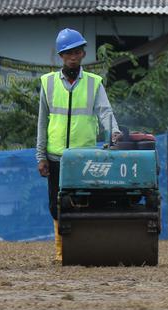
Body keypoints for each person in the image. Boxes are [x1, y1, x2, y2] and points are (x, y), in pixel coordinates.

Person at [36, 28, 120, 263]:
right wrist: (40, 156)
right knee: (56, 206)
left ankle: (89, 249)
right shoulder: (48, 83)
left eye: (77, 52)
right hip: (55, 157)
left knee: (90, 201)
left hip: (85, 157)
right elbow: (42, 122)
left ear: (83, 54)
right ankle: (62, 252)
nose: (73, 56)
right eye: (68, 53)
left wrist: (114, 133)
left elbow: (106, 113)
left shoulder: (94, 83)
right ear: (61, 56)